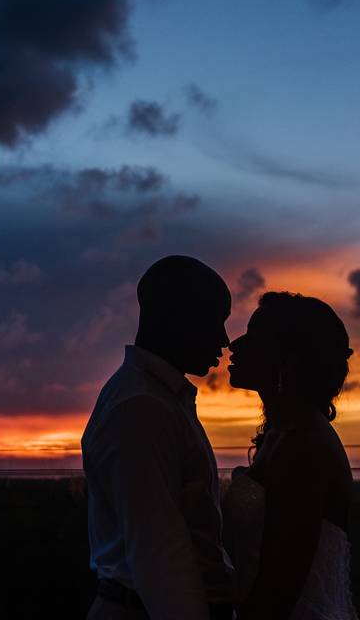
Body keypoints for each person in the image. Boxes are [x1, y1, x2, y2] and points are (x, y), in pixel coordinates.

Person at [82, 255, 235, 620]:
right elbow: (159, 552)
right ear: (173, 317)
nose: (224, 340)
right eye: (214, 321)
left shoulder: (154, 400)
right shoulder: (142, 408)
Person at [223, 292, 358, 620]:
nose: (234, 345)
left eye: (254, 337)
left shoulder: (304, 446)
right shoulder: (282, 434)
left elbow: (278, 590)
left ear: (288, 361)